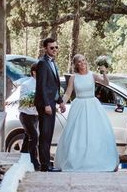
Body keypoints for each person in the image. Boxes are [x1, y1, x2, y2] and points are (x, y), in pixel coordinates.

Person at [53, 54, 119, 172]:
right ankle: (76, 160)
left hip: (92, 105)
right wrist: (62, 103)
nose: (82, 63)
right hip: (79, 105)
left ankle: (96, 160)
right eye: (79, 62)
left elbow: (106, 83)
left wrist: (104, 72)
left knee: (95, 133)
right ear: (76, 64)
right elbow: (68, 93)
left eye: (83, 60)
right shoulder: (74, 77)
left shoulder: (92, 75)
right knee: (77, 134)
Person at [34, 37, 66, 172]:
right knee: (45, 134)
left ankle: (46, 163)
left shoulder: (52, 63)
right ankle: (45, 165)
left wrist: (60, 101)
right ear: (45, 49)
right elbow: (41, 86)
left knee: (49, 134)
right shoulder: (42, 63)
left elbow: (52, 86)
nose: (54, 50)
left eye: (56, 47)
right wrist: (47, 104)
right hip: (45, 104)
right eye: (52, 48)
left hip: (52, 102)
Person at [18, 64, 40, 170]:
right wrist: (34, 99)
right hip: (26, 116)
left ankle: (23, 157)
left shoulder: (42, 84)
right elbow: (22, 101)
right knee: (34, 137)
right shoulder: (26, 84)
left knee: (28, 138)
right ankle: (34, 162)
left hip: (36, 116)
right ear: (34, 72)